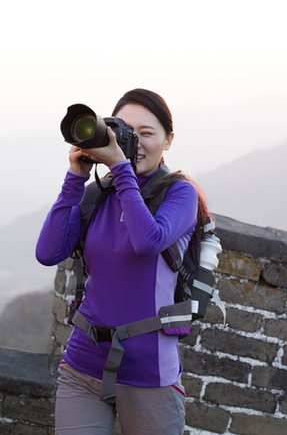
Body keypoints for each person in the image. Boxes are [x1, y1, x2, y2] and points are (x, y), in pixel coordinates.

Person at [36, 88, 211, 435]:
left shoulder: (180, 193)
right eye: (125, 133)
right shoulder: (96, 196)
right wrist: (75, 178)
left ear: (168, 140)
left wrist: (119, 168)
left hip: (149, 377)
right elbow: (48, 252)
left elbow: (147, 241)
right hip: (82, 367)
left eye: (147, 133)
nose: (135, 142)